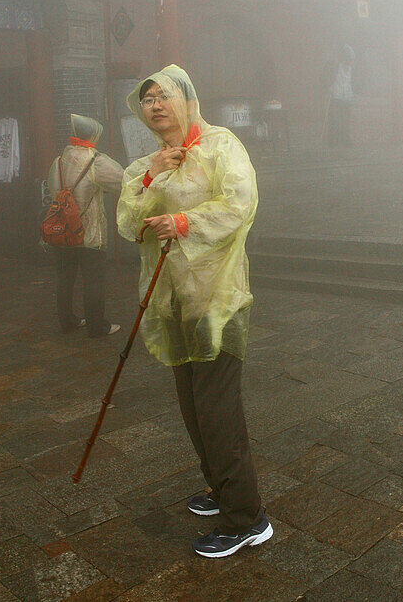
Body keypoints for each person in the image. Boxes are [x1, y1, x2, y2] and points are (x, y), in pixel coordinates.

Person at [117, 64, 270, 558]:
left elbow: (239, 204)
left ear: (187, 98)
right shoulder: (147, 162)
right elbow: (127, 223)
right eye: (147, 99)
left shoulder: (221, 145)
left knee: (218, 410)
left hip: (217, 299)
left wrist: (183, 220)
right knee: (193, 406)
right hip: (173, 300)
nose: (155, 105)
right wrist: (151, 177)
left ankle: (247, 518)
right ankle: (221, 488)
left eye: (164, 95)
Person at [47, 114, 124, 336]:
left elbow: (54, 190)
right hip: (87, 233)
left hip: (61, 232)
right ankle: (96, 326)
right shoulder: (95, 161)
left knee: (65, 279)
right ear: (93, 134)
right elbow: (122, 181)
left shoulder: (58, 161)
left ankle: (67, 321)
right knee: (93, 282)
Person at [324, 44, 356, 147]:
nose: (351, 62)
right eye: (350, 59)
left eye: (352, 59)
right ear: (345, 58)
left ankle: (345, 140)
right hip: (336, 97)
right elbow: (324, 77)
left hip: (347, 97)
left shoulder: (351, 69)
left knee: (345, 121)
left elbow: (352, 82)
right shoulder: (335, 66)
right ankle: (333, 141)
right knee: (335, 120)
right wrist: (328, 86)